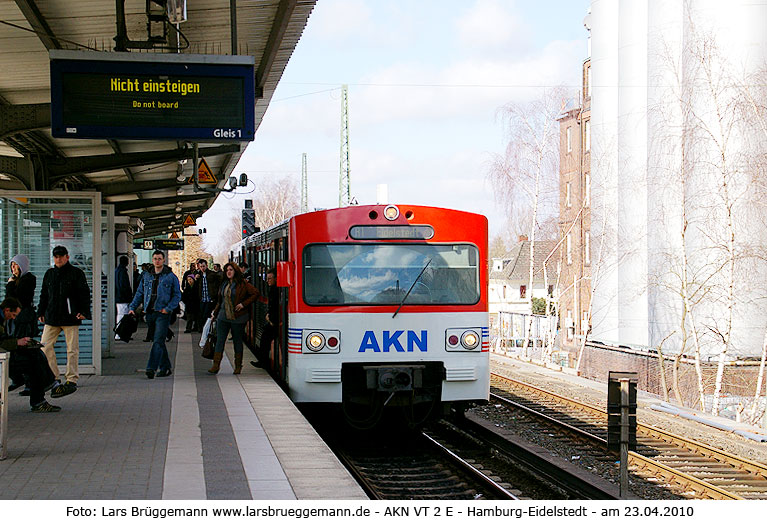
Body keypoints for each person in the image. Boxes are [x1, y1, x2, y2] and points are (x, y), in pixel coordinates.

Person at [37, 245, 91, 399]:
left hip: (70, 317)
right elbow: (44, 294)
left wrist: (84, 312)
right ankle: (54, 377)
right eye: (56, 256)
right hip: (52, 316)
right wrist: (41, 311)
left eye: (61, 256)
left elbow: (84, 294)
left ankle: (71, 379)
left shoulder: (76, 273)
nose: (58, 259)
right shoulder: (49, 274)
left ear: (67, 257)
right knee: (45, 346)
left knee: (72, 349)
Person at [1, 297, 59, 412]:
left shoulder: (2, 319)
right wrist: (17, 342)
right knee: (33, 362)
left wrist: (20, 341)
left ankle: (49, 384)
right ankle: (45, 390)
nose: (13, 318)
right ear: (6, 310)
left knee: (35, 353)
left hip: (5, 354)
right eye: (13, 315)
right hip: (3, 358)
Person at [129, 250, 181, 379]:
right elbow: (140, 292)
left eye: (159, 259)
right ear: (152, 260)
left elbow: (177, 295)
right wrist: (132, 307)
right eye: (155, 259)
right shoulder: (146, 276)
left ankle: (151, 368)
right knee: (159, 341)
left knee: (158, 340)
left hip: (163, 313)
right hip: (150, 313)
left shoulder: (170, 276)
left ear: (163, 260)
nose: (157, 261)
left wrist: (168, 308)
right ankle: (165, 367)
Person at [208, 262, 263, 375]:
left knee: (237, 341)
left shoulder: (243, 284)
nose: (228, 272)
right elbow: (220, 300)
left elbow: (255, 293)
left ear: (235, 271)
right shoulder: (223, 283)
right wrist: (215, 312)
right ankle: (216, 365)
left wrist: (243, 304)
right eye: (227, 270)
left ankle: (238, 366)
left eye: (231, 270)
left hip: (238, 317)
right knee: (219, 340)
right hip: (223, 316)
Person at [5, 254, 38, 338]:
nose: (13, 268)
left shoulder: (28, 280)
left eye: (16, 266)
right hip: (14, 317)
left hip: (23, 319)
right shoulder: (14, 280)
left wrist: (10, 284)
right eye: (12, 266)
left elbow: (14, 298)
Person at [251, 267, 277, 369]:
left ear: (276, 278)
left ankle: (263, 362)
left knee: (265, 339)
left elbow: (275, 306)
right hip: (273, 320)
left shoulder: (275, 290)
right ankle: (262, 361)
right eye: (267, 278)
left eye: (270, 278)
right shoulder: (274, 289)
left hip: (274, 322)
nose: (267, 281)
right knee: (264, 338)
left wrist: (271, 319)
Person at [195, 258, 221, 332]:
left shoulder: (212, 274)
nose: (202, 268)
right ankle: (204, 330)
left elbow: (219, 282)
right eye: (201, 266)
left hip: (210, 299)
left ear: (206, 265)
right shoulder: (198, 275)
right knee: (202, 315)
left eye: (203, 266)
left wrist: (215, 295)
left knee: (207, 315)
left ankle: (207, 330)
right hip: (202, 299)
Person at [115, 255, 133, 339]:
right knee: (122, 314)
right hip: (122, 297)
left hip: (119, 296)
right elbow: (124, 285)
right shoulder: (122, 271)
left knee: (120, 314)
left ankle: (120, 333)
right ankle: (120, 333)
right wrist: (128, 295)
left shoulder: (117, 270)